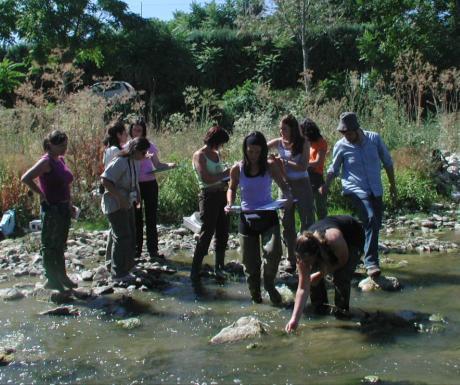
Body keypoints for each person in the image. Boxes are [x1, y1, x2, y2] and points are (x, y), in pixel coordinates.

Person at [320, 112, 397, 278]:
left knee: (374, 224)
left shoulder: (374, 139)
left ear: (357, 129)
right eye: (344, 133)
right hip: (354, 188)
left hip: (375, 189)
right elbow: (334, 168)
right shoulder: (341, 146)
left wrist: (392, 186)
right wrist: (326, 185)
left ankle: (354, 252)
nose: (346, 136)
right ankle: (372, 263)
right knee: (370, 218)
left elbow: (388, 162)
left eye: (349, 133)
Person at [226, 131, 293, 305]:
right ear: (245, 150)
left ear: (263, 150)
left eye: (257, 151)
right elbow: (231, 188)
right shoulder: (237, 168)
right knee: (250, 264)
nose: (254, 155)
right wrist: (229, 203)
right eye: (250, 151)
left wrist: (288, 197)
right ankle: (256, 297)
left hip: (268, 214)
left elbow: (283, 185)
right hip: (247, 217)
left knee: (274, 252)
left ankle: (269, 285)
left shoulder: (270, 165)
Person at [285, 215, 364, 332]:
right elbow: (302, 288)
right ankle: (320, 310)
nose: (303, 263)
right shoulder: (302, 253)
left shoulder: (334, 239)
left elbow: (343, 261)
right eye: (300, 260)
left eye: (306, 261)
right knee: (312, 281)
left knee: (341, 277)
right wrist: (294, 319)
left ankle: (342, 316)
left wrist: (321, 274)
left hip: (352, 236)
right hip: (323, 247)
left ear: (315, 254)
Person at [21, 130, 77, 291]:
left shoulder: (60, 160)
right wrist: (41, 193)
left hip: (63, 207)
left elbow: (66, 184)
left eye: (65, 145)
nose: (64, 148)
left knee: (60, 244)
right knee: (49, 245)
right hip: (52, 208)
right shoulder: (46, 162)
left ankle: (62, 276)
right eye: (61, 146)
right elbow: (26, 177)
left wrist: (70, 203)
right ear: (50, 145)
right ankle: (52, 278)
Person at [267, 114, 315, 271]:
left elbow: (303, 166)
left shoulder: (304, 143)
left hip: (302, 184)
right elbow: (261, 147)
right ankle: (291, 259)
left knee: (307, 220)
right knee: (287, 222)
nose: (281, 131)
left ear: (293, 129)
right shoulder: (278, 142)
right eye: (280, 128)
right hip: (285, 185)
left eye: (284, 129)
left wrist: (283, 161)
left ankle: (306, 255)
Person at [101, 137, 150, 281]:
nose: (145, 155)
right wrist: (119, 198)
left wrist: (139, 195)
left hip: (128, 202)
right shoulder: (120, 161)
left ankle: (127, 265)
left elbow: (134, 181)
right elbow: (105, 180)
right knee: (122, 236)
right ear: (134, 150)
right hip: (115, 204)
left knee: (130, 233)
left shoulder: (136, 161)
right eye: (143, 152)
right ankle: (118, 272)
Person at [129, 118, 175, 260]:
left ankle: (152, 250)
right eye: (134, 129)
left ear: (143, 131)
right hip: (135, 186)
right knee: (136, 217)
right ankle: (136, 250)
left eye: (139, 129)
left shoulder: (149, 145)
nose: (136, 132)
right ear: (130, 130)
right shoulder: (127, 146)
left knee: (151, 217)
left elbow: (158, 164)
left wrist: (169, 165)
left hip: (150, 185)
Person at [191, 125, 230, 287]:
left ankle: (219, 267)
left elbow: (219, 176)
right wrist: (226, 174)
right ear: (215, 140)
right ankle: (195, 269)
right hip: (208, 196)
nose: (221, 146)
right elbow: (206, 178)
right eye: (220, 142)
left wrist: (227, 175)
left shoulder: (216, 153)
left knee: (223, 231)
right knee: (207, 232)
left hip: (222, 194)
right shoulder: (199, 155)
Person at [301, 118, 328, 220]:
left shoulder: (321, 142)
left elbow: (318, 162)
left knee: (320, 208)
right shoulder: (308, 143)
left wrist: (302, 164)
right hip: (306, 176)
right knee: (308, 208)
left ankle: (324, 231)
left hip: (316, 178)